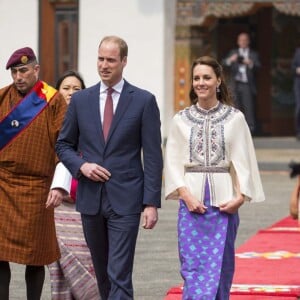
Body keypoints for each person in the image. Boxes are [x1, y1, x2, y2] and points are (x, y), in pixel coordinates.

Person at [56, 35, 163, 299]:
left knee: (119, 274)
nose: (104, 65)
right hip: (90, 199)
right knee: (102, 275)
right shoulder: (81, 101)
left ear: (124, 62)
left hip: (126, 199)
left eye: (111, 60)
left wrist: (151, 203)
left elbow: (152, 156)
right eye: (100, 59)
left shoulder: (143, 101)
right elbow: (63, 145)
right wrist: (82, 167)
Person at [164, 56, 265, 299]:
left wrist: (239, 198)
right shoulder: (180, 120)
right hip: (191, 204)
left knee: (222, 267)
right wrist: (186, 196)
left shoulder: (235, 118)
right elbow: (172, 163)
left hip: (224, 206)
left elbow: (243, 163)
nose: (201, 83)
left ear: (218, 80)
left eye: (207, 77)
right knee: (193, 266)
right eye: (196, 78)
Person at [0, 47, 68, 299]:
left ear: (36, 70)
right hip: (3, 186)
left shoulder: (53, 100)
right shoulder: (2, 96)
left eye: (24, 71)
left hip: (38, 186)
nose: (18, 77)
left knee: (36, 255)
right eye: (14, 72)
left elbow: (64, 144)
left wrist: (58, 185)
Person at [48, 70, 100, 299]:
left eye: (76, 89)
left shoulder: (92, 120)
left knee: (86, 258)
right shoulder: (46, 120)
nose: (70, 93)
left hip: (84, 200)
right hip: (56, 205)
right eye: (65, 88)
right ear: (57, 92)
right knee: (59, 264)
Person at [222, 32, 261, 134]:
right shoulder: (233, 52)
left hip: (247, 84)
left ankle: (250, 130)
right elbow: (223, 63)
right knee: (235, 107)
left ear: (248, 41)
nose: (243, 42)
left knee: (249, 107)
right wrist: (231, 59)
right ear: (238, 42)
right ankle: (235, 131)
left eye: (245, 40)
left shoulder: (253, 54)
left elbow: (258, 67)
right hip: (235, 83)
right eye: (241, 40)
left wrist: (250, 63)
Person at [291, 47, 300, 140]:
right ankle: (298, 131)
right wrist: (297, 70)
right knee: (299, 107)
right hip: (298, 84)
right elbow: (293, 68)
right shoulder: (298, 52)